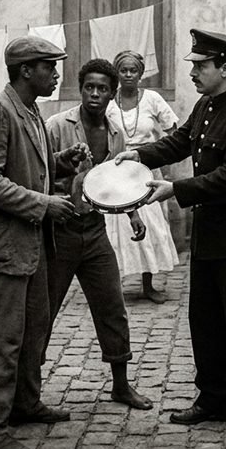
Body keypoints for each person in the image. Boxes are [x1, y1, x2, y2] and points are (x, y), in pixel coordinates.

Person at [114, 29, 226, 449]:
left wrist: (176, 190)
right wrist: (139, 154)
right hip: (211, 234)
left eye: (200, 66)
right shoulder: (207, 104)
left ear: (225, 69)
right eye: (193, 65)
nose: (192, 72)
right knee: (204, 323)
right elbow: (181, 140)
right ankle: (215, 400)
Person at [0, 36, 88, 449]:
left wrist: (61, 161)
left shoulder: (29, 109)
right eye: (50, 67)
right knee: (2, 338)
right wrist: (43, 204)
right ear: (27, 70)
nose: (56, 74)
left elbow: (29, 162)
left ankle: (25, 403)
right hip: (2, 247)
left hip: (29, 243)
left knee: (34, 330)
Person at [44, 58, 152, 411]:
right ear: (80, 89)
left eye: (102, 88)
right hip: (59, 233)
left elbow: (118, 181)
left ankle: (121, 385)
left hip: (94, 232)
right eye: (89, 87)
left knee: (112, 307)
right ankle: (26, 388)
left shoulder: (115, 133)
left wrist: (134, 214)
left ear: (112, 92)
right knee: (43, 310)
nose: (94, 94)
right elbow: (37, 172)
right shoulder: (57, 126)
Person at [105, 50, 180, 303]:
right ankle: (112, 287)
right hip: (115, 168)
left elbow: (174, 130)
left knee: (150, 223)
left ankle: (148, 285)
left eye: (133, 70)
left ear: (140, 73)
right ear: (117, 73)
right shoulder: (107, 100)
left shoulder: (153, 99)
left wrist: (160, 154)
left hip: (145, 167)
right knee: (114, 227)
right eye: (123, 70)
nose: (128, 75)